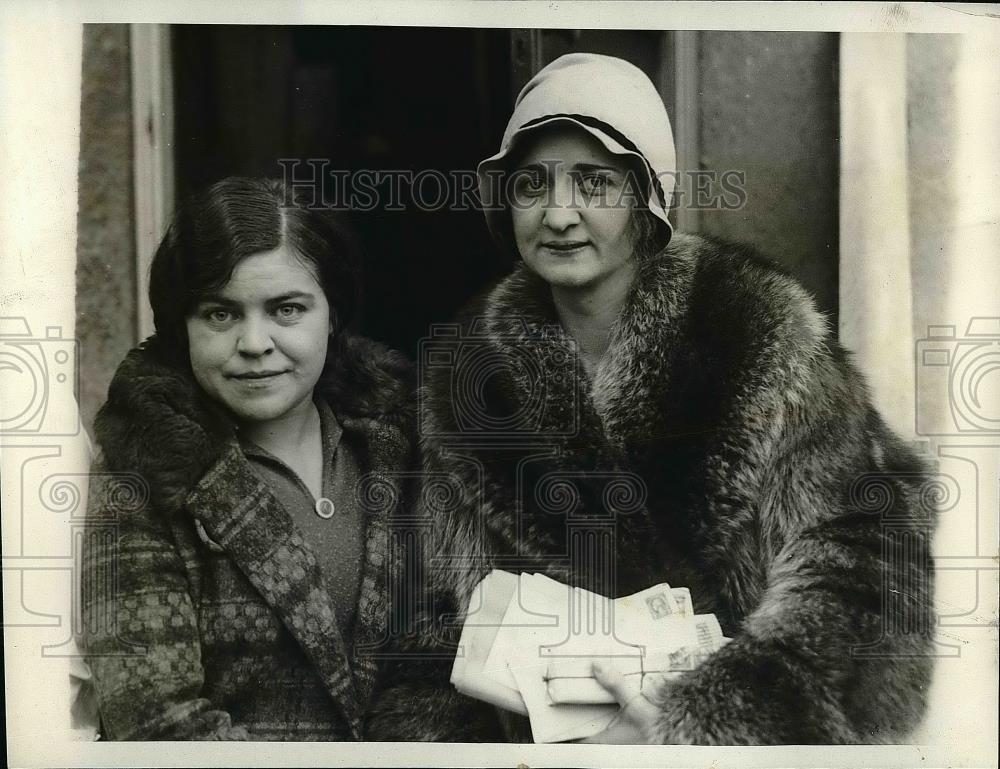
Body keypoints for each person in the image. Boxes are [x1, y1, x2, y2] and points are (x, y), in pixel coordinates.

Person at [366, 53, 935, 744]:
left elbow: (865, 577)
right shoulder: (465, 376)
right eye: (531, 184)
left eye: (595, 182)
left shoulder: (763, 338)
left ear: (646, 199)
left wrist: (692, 724)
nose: (559, 214)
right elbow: (431, 625)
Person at [80, 177, 415, 740]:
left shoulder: (401, 447)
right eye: (220, 314)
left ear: (332, 315)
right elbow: (158, 724)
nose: (255, 342)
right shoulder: (141, 477)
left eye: (287, 309)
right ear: (180, 325)